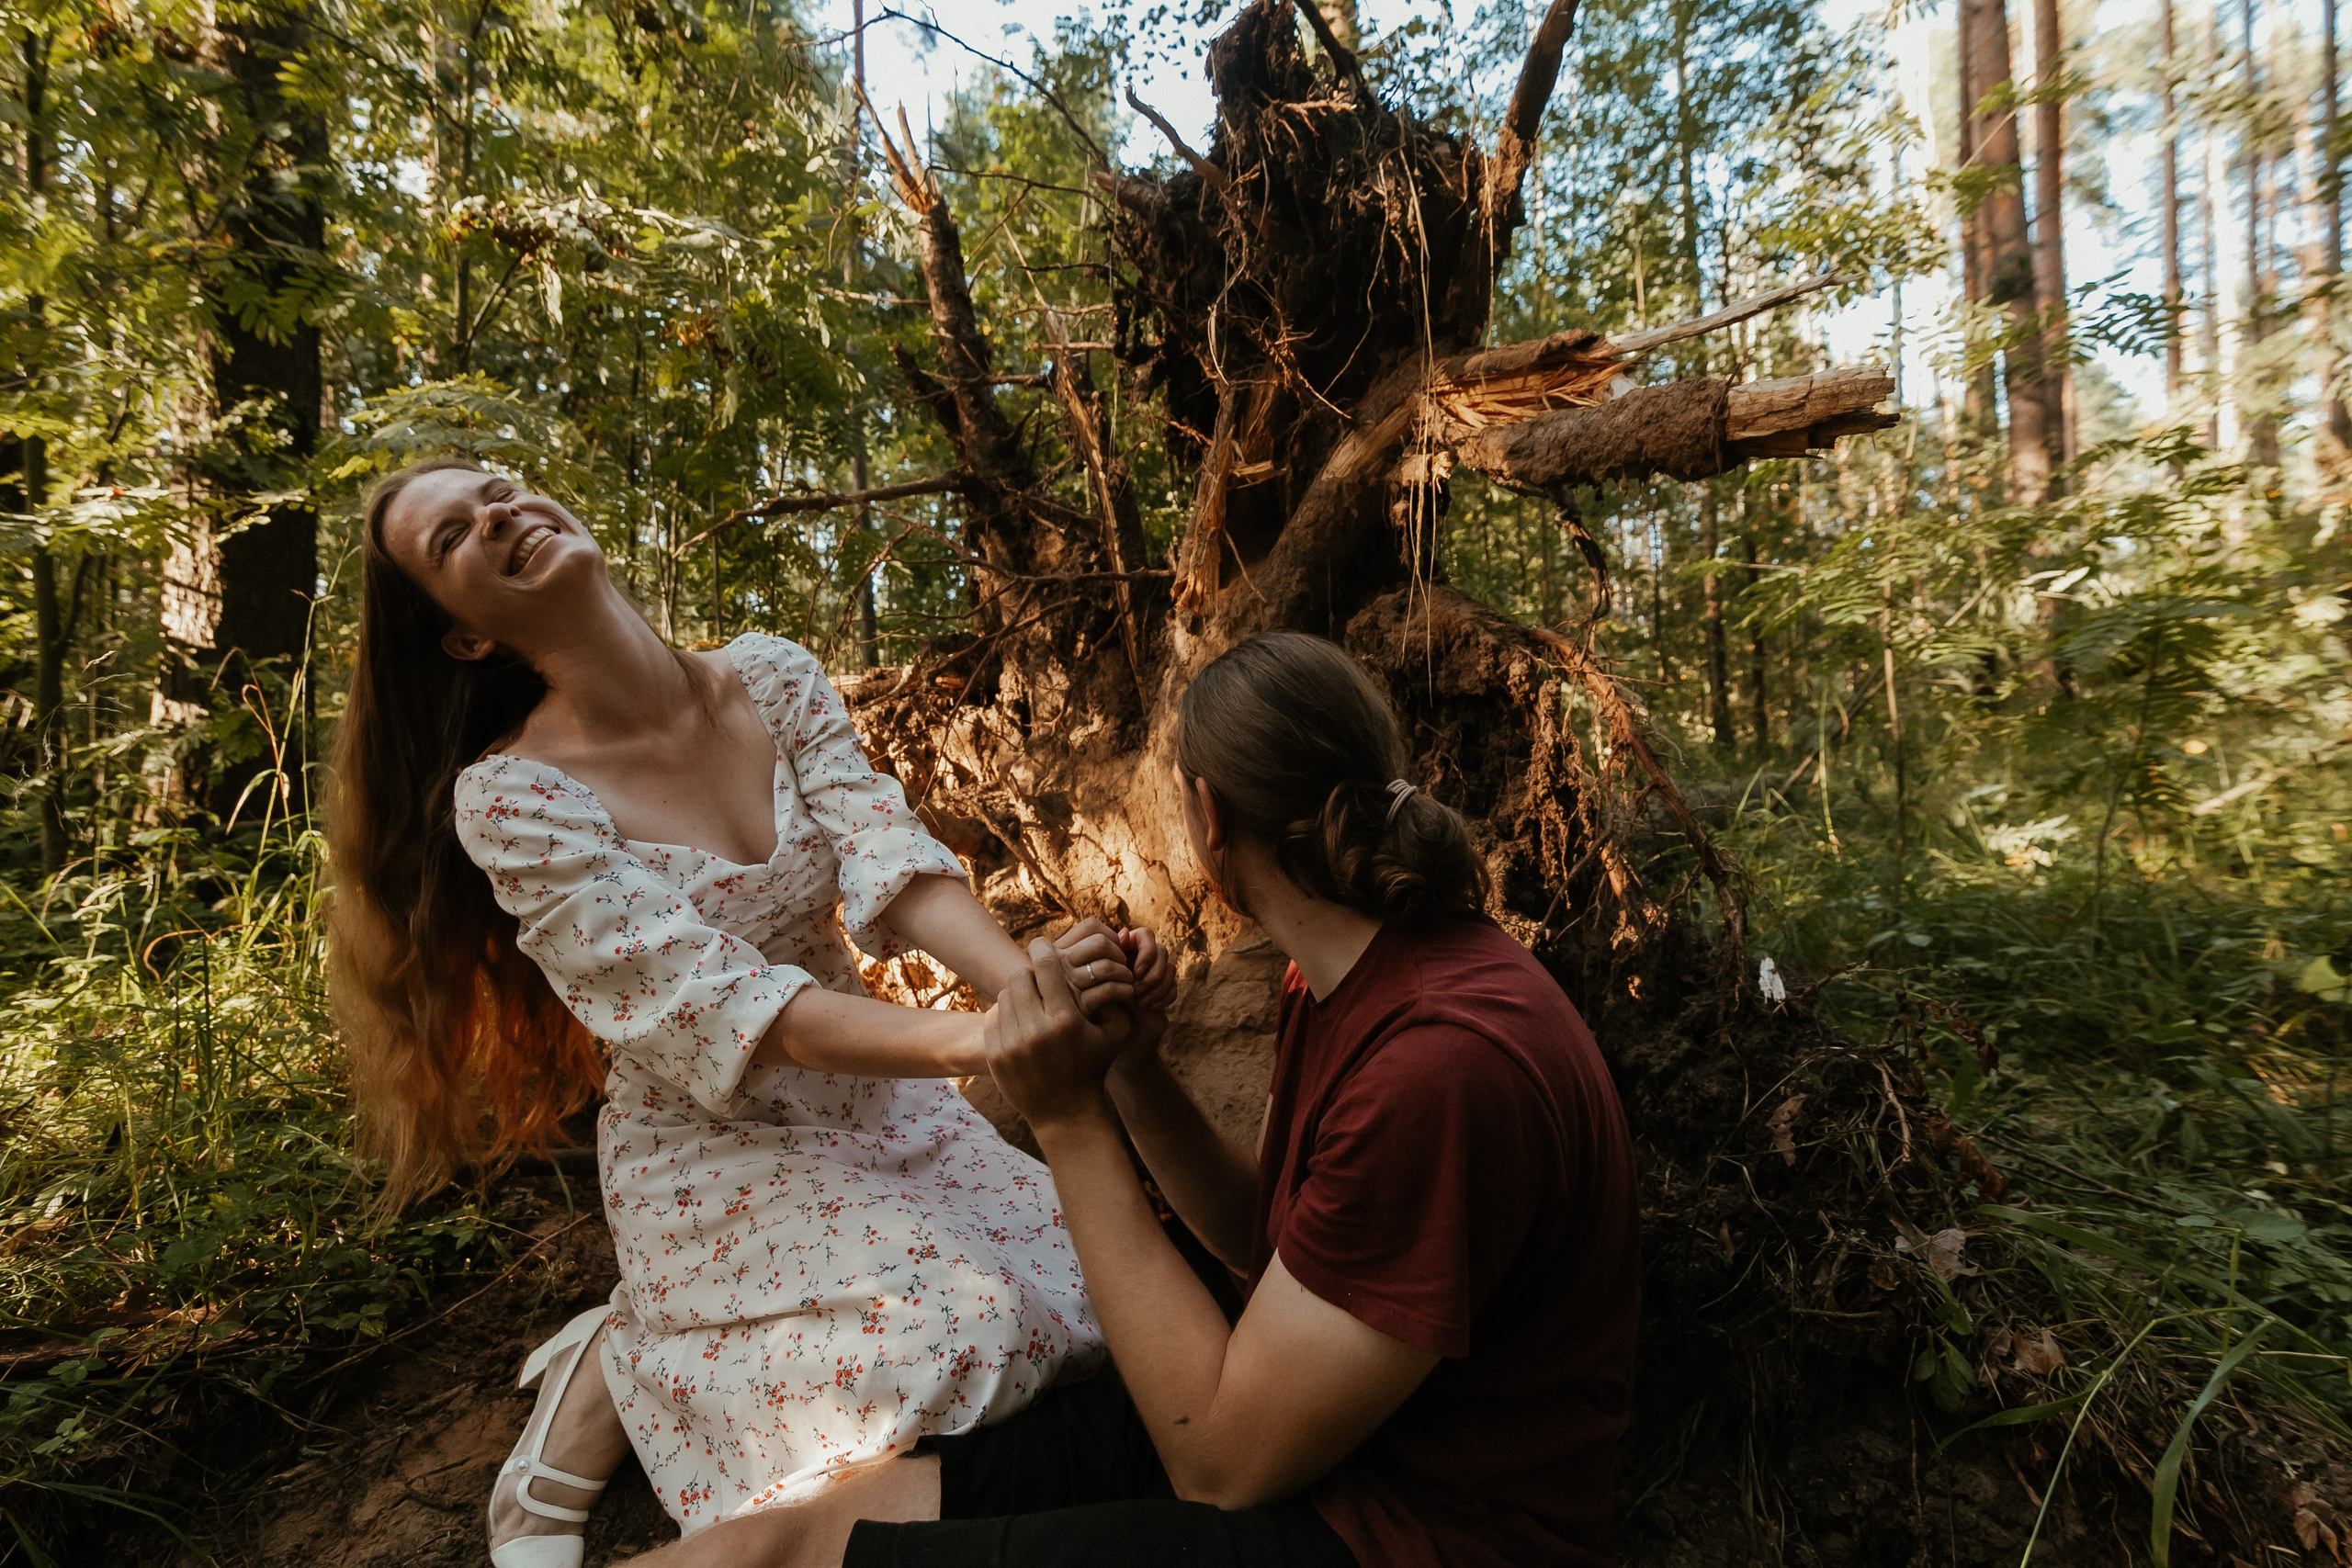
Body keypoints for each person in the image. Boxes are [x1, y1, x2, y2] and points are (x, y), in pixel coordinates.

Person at [636, 630, 1643, 1568]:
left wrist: (1071, 1118)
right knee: (791, 1535)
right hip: (1314, 1433)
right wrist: (1132, 1070)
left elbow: (1222, 1468)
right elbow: (1280, 1244)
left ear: (1206, 817)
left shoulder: (1439, 1066)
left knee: (794, 1563)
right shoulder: (1354, 976)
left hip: (1402, 1532)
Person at [326, 458, 1171, 1568]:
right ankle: (635, 1358)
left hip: (882, 1106)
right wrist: (988, 1044)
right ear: (464, 639)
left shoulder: (770, 674)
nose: (495, 513)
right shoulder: (511, 797)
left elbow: (897, 871)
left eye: (498, 486)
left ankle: (643, 1334)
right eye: (452, 539)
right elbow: (739, 1012)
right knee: (969, 1340)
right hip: (713, 1147)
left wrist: (1034, 990)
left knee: (1095, 1308)